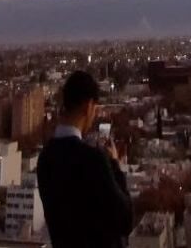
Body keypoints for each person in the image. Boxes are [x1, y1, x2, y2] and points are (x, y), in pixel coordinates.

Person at [36, 69, 133, 248]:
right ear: (88, 107)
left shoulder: (45, 159)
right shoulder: (93, 159)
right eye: (95, 109)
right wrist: (116, 166)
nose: (94, 115)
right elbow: (125, 220)